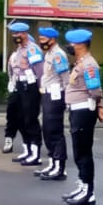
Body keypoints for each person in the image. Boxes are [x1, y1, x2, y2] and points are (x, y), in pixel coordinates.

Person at [63, 30, 103, 205]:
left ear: (80, 45)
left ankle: (88, 191)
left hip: (84, 111)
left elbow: (95, 90)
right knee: (79, 151)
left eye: (72, 43)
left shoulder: (89, 64)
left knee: (83, 152)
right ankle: (82, 185)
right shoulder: (81, 63)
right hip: (77, 111)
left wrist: (100, 106)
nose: (70, 46)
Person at [4, 22, 43, 165]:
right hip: (20, 85)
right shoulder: (20, 49)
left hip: (30, 86)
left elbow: (39, 71)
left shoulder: (32, 49)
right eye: (13, 34)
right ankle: (27, 149)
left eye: (17, 33)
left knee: (30, 119)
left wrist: (41, 88)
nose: (15, 36)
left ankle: (36, 153)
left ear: (25, 34)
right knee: (19, 118)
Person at [34, 27, 70, 182]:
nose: (41, 42)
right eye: (40, 39)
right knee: (48, 130)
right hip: (48, 94)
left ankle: (60, 167)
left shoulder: (58, 55)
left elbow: (65, 78)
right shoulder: (49, 53)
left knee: (54, 131)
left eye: (44, 39)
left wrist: (66, 98)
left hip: (56, 96)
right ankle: (52, 163)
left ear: (52, 40)